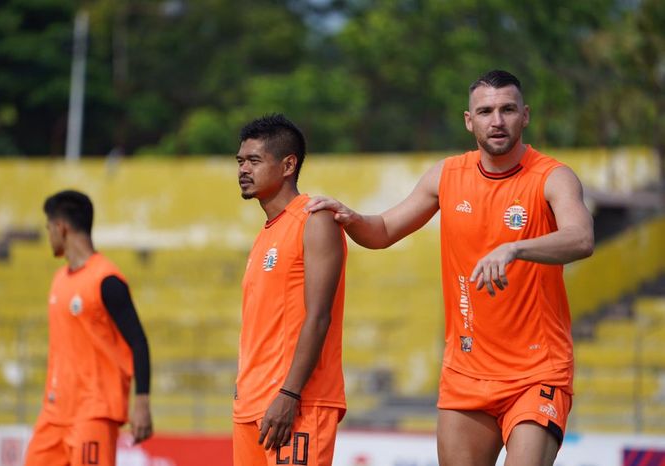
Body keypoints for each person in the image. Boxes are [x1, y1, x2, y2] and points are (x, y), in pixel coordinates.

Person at [307, 70, 594, 466]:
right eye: (486, 111)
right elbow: (384, 230)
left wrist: (514, 249)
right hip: (466, 372)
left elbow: (581, 238)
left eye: (508, 109)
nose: (497, 121)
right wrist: (350, 216)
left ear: (525, 116)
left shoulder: (552, 177)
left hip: (536, 371)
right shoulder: (447, 176)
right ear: (468, 120)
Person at [233, 114, 348, 466]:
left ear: (288, 165)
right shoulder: (266, 233)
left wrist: (288, 393)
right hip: (250, 405)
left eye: (254, 161)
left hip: (296, 403)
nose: (243, 169)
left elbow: (318, 316)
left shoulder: (315, 220)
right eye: (240, 161)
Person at [25, 190, 153, 466]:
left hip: (93, 411)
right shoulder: (59, 279)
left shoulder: (106, 280)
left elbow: (138, 342)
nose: (48, 235)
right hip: (54, 413)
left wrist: (141, 402)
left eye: (48, 227)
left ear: (61, 227)